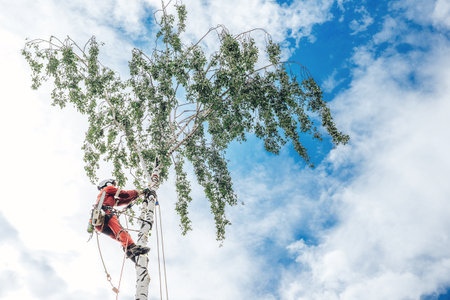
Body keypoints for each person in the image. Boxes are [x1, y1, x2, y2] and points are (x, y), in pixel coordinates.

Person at [94, 178, 150, 262]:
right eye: (113, 184)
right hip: (106, 213)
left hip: (98, 223)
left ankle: (129, 252)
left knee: (119, 237)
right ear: (107, 183)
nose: (114, 186)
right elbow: (125, 194)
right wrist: (139, 191)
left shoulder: (107, 196)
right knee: (120, 231)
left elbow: (124, 200)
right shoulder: (108, 189)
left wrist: (138, 196)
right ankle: (133, 248)